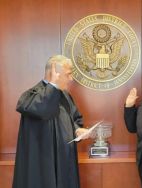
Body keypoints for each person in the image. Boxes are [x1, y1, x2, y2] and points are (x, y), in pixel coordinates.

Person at [12, 55, 89, 188]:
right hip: (41, 165)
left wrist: (77, 130)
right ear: (54, 73)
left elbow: (74, 119)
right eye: (68, 74)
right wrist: (52, 85)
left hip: (64, 161)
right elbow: (43, 109)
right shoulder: (31, 95)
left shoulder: (65, 96)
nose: (71, 79)